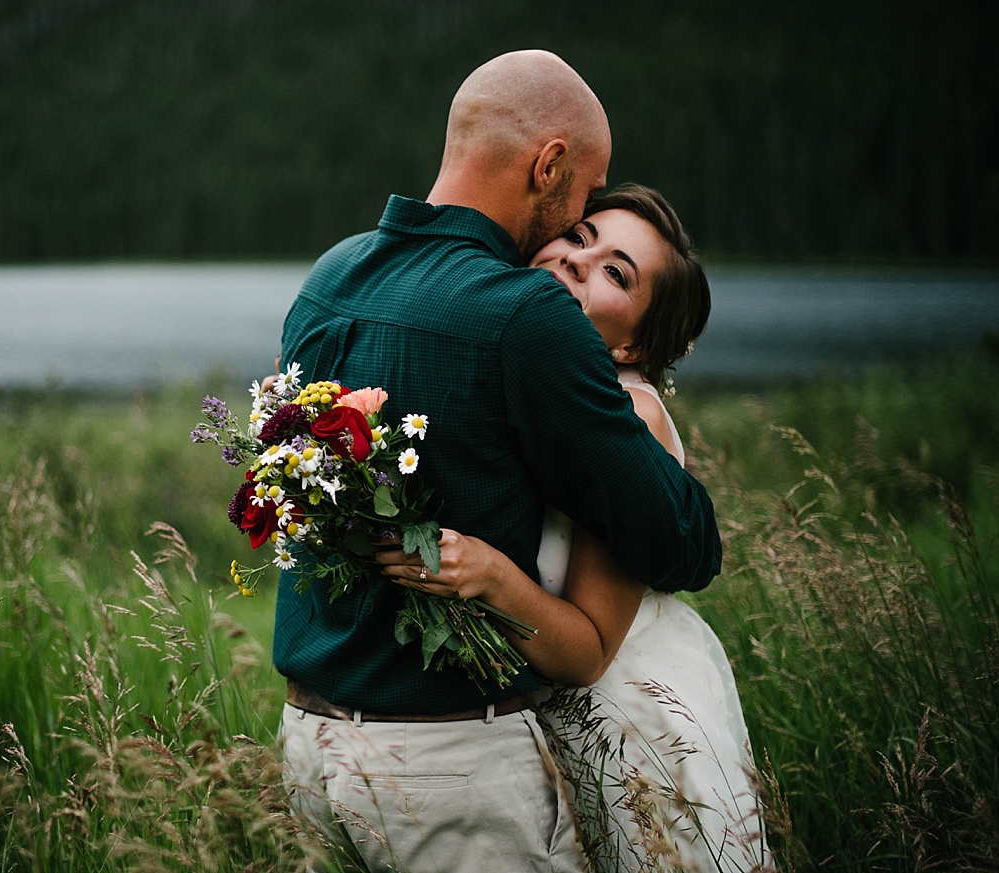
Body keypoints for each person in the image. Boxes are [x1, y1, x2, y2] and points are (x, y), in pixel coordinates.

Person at [275, 50, 722, 873]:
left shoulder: (328, 277)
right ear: (549, 166)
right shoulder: (526, 316)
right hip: (450, 773)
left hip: (307, 746)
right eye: (584, 198)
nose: (574, 229)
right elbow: (681, 542)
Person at [379, 185, 769, 871]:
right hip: (535, 724)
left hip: (625, 726)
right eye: (580, 236)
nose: (578, 263)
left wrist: (489, 575)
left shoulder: (627, 417)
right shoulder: (521, 361)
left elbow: (590, 653)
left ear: (639, 341)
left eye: (617, 272)